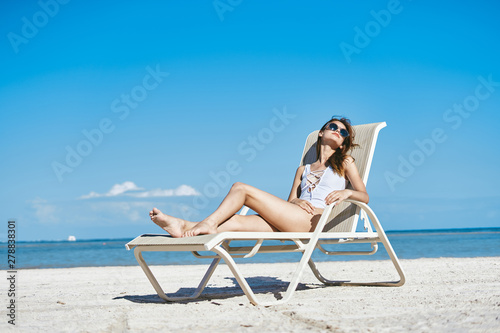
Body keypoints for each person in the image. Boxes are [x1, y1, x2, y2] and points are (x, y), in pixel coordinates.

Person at [149, 117, 369, 238]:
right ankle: (183, 227)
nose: (338, 132)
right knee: (233, 221)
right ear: (321, 132)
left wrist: (347, 192)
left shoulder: (345, 163)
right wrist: (298, 201)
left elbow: (364, 197)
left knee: (241, 188)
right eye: (333, 127)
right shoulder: (303, 169)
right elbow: (290, 200)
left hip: (314, 222)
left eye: (343, 133)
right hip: (293, 217)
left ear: (343, 143)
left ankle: (205, 223)